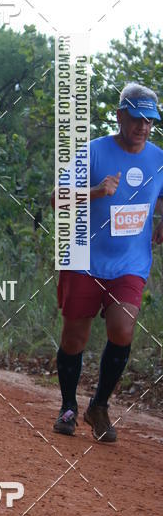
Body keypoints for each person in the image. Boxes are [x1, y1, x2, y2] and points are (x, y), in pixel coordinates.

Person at [51, 83, 163, 442]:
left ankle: (99, 406)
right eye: (137, 119)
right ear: (120, 116)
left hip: (130, 262)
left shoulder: (158, 158)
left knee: (123, 329)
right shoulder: (94, 152)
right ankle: (68, 406)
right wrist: (97, 191)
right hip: (84, 256)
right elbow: (57, 199)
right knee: (74, 338)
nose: (143, 127)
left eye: (150, 121)